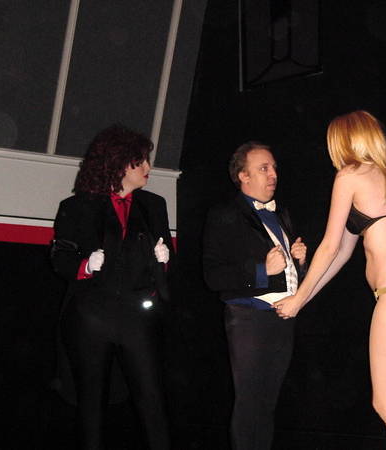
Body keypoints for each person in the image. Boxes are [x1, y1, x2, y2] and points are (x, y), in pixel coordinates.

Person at [274, 110, 386, 450]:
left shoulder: (349, 176)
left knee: (385, 404)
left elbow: (329, 246)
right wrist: (303, 298)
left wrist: (298, 299)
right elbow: (342, 254)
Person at [50, 124, 173, 450]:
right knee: (91, 403)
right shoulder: (77, 206)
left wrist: (164, 260)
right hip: (92, 316)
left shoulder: (154, 205)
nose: (148, 167)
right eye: (140, 161)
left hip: (136, 315)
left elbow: (166, 259)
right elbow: (60, 257)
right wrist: (86, 265)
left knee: (151, 399)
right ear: (119, 163)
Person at [202, 141, 307, 450]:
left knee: (266, 404)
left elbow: (288, 275)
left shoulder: (281, 214)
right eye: (264, 168)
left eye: (273, 168)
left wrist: (300, 262)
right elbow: (213, 275)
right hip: (249, 318)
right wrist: (262, 270)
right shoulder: (224, 214)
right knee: (250, 404)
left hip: (282, 317)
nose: (273, 174)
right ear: (243, 176)